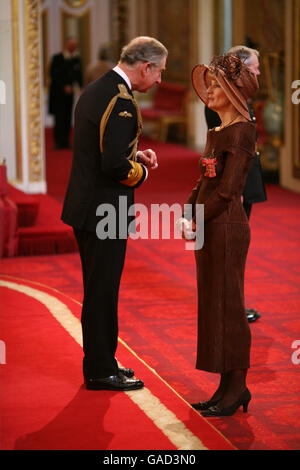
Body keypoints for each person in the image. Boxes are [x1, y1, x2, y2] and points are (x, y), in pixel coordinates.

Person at [61, 36, 167, 391]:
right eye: (159, 73)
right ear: (146, 66)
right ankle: (99, 370)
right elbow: (112, 166)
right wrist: (142, 172)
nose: (159, 82)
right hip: (104, 211)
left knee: (100, 290)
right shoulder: (122, 101)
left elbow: (101, 149)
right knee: (102, 292)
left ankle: (104, 362)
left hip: (87, 207)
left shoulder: (97, 88)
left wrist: (134, 154)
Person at [180, 54, 258, 416]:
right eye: (208, 84)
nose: (209, 90)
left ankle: (237, 387)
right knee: (214, 306)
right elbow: (205, 180)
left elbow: (228, 191)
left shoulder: (242, 130)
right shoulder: (217, 131)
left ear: (231, 90)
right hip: (208, 224)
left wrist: (196, 217)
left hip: (227, 226)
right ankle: (225, 388)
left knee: (229, 307)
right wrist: (188, 209)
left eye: (215, 84)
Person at [205, 46, 266, 323]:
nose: (258, 72)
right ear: (241, 69)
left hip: (243, 181)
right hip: (234, 187)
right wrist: (235, 192)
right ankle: (231, 309)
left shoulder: (239, 97)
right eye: (254, 67)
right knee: (231, 252)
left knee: (235, 252)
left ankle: (232, 305)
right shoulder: (226, 101)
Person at [49, 37, 83, 149]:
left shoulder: (76, 59)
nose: (74, 47)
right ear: (66, 45)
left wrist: (81, 87)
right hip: (58, 94)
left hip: (69, 95)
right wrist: (64, 86)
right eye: (72, 44)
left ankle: (66, 141)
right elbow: (53, 74)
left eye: (75, 45)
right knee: (59, 117)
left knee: (68, 117)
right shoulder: (57, 58)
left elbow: (78, 75)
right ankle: (58, 141)